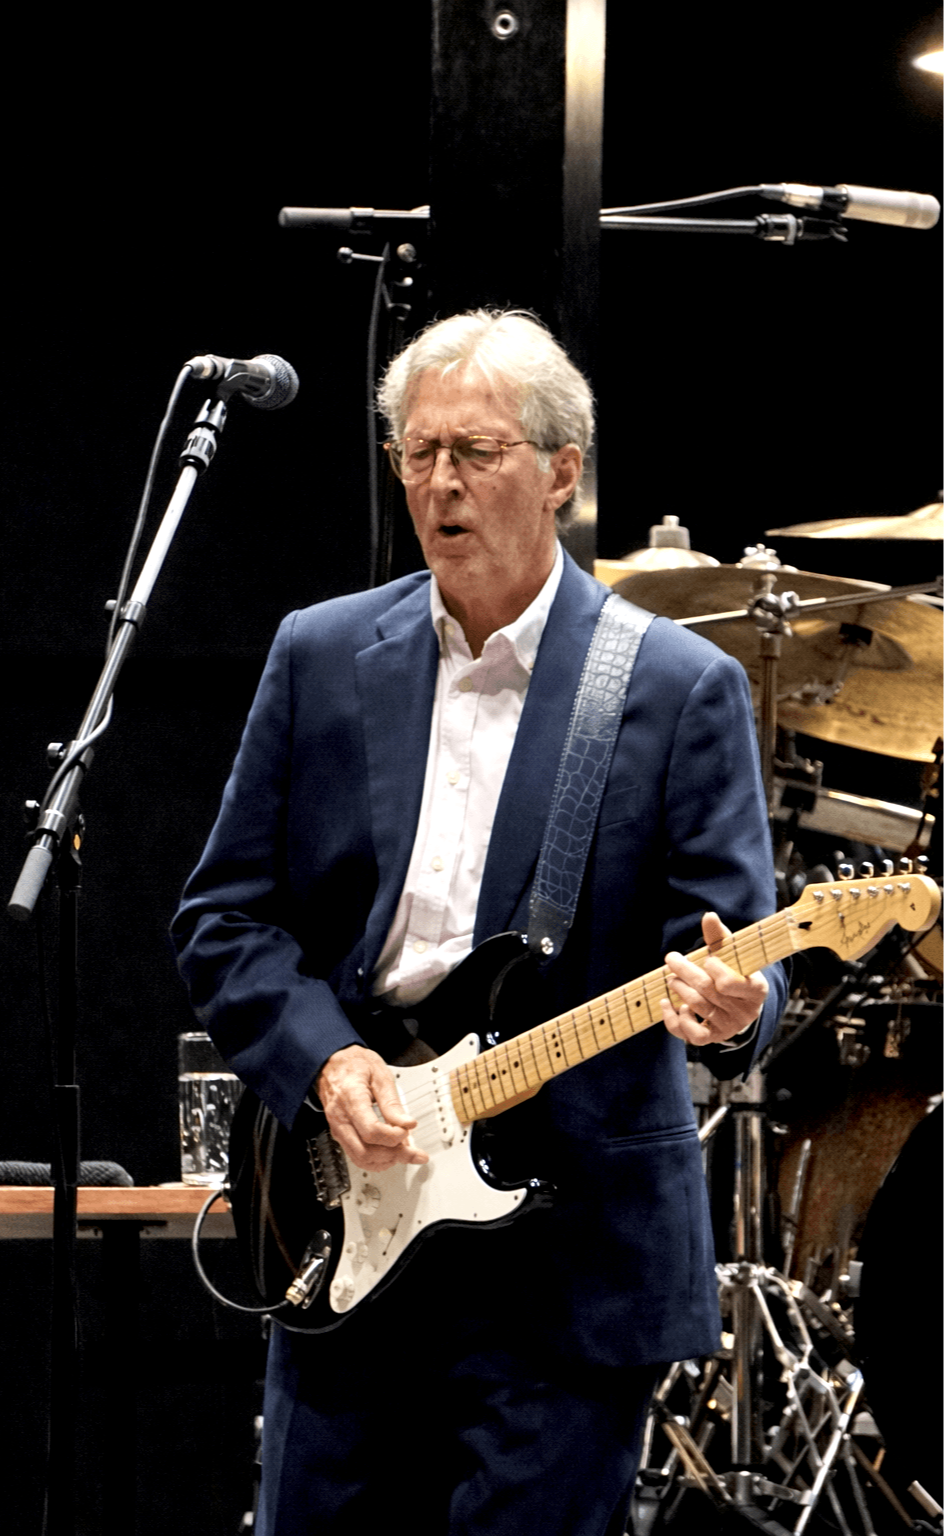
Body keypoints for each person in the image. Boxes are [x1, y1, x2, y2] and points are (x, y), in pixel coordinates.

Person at [172, 310, 786, 1535]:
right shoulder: (321, 652)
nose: (439, 484)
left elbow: (735, 962)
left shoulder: (674, 688)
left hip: (567, 1267)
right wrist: (326, 1061)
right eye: (416, 452)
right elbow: (223, 919)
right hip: (355, 1206)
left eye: (477, 453)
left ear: (562, 472)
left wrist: (733, 1005)